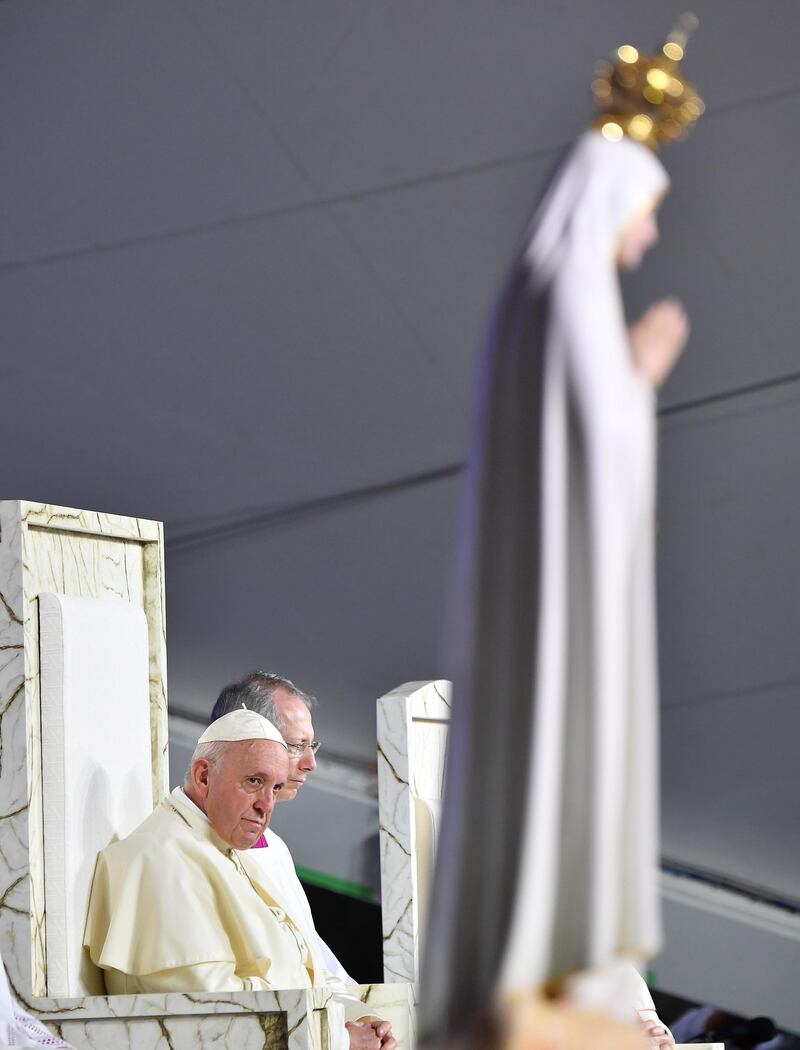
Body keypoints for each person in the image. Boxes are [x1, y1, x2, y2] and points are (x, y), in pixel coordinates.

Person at [419, 22, 701, 1050]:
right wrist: (641, 376)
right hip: (558, 603)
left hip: (551, 583)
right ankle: (540, 965)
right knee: (554, 753)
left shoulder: (549, 289)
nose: (647, 237)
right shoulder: (572, 289)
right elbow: (593, 437)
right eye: (645, 213)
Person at [83, 708, 392, 1050]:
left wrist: (359, 1019)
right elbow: (211, 1014)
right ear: (203, 776)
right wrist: (340, 1038)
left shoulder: (229, 850)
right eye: (254, 782)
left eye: (275, 788)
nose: (266, 805)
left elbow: (304, 968)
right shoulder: (159, 857)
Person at [210, 673, 394, 1050]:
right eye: (297, 746)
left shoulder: (273, 846)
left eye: (313, 746)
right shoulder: (203, 850)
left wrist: (363, 1015)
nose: (310, 763)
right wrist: (341, 1037)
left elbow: (311, 955)